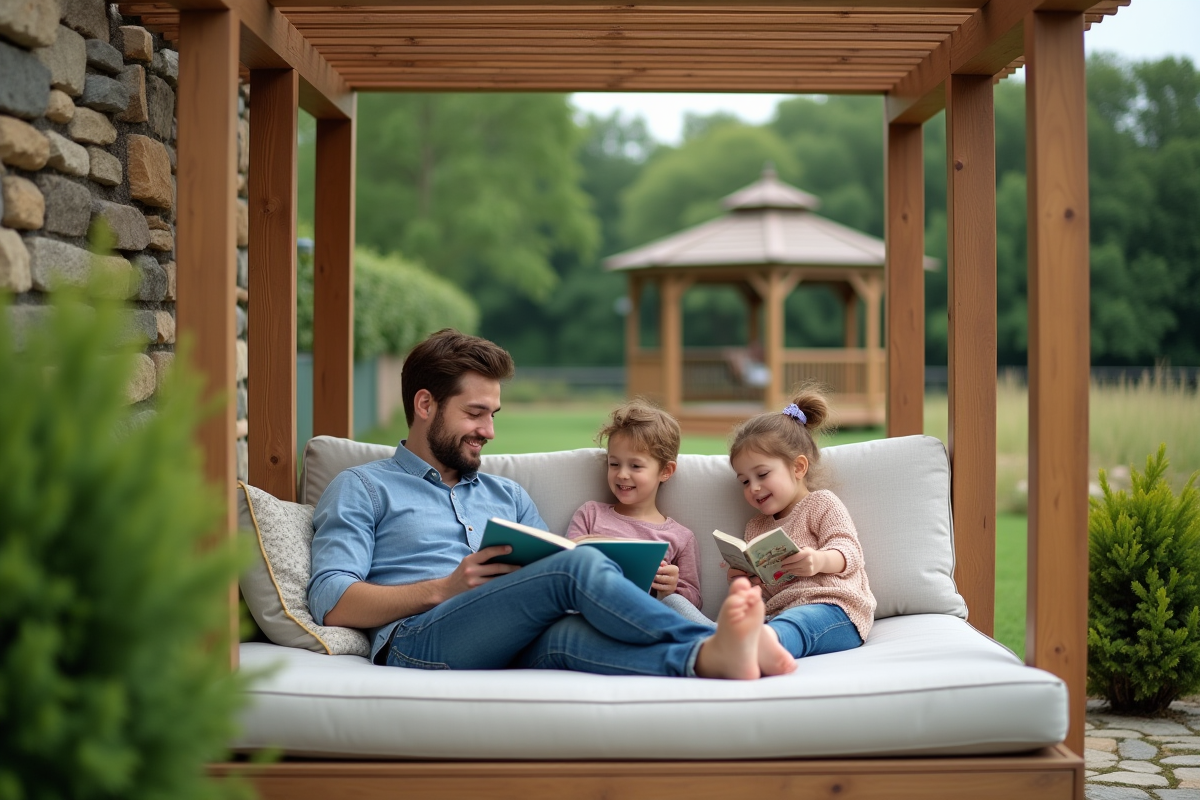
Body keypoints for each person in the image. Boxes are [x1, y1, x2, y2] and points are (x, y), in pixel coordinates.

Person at [307, 328, 796, 679]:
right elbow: (330, 600)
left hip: (516, 637)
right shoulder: (363, 487)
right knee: (575, 564)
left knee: (571, 638)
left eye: (493, 415)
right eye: (475, 413)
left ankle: (710, 660)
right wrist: (445, 588)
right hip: (419, 639)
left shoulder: (507, 494)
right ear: (425, 404)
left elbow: (548, 581)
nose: (489, 432)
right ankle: (720, 642)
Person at [726, 386, 877, 661]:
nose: (754, 488)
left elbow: (850, 551)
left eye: (762, 474)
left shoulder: (821, 503)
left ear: (798, 467)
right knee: (752, 622)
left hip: (835, 608)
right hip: (781, 613)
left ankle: (763, 646)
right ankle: (747, 644)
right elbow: (769, 590)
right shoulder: (755, 527)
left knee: (797, 624)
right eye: (745, 481)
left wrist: (819, 561)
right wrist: (747, 583)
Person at [566, 400, 709, 624]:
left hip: (649, 620)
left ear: (665, 471)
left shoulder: (681, 537)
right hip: (595, 611)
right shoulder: (590, 514)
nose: (622, 474)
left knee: (675, 604)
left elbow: (694, 602)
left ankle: (722, 639)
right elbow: (565, 571)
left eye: (635, 466)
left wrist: (669, 589)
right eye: (614, 464)